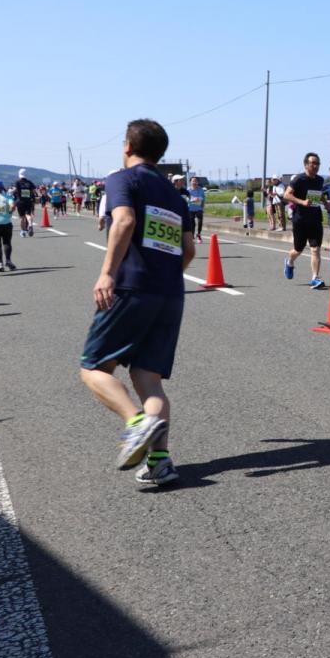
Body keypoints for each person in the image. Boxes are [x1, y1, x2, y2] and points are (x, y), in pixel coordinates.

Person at [79, 119, 195, 487]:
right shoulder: (175, 195)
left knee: (94, 367)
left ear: (128, 145)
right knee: (149, 378)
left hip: (132, 288)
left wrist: (107, 273)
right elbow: (189, 249)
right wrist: (164, 274)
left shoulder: (122, 179)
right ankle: (160, 461)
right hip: (171, 293)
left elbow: (124, 221)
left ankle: (136, 424)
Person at [283, 153, 326, 289]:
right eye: (312, 163)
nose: (315, 166)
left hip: (315, 218)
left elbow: (319, 194)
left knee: (315, 249)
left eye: (317, 163)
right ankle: (289, 261)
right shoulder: (299, 179)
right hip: (300, 219)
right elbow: (286, 195)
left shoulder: (320, 180)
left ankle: (315, 278)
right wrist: (302, 202)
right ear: (306, 164)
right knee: (298, 249)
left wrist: (326, 203)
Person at [0, 180, 17, 272]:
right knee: (6, 242)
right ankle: (8, 261)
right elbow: (13, 206)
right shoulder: (7, 197)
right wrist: (9, 213)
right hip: (6, 223)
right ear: (2, 187)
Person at [12, 169, 36, 237]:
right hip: (28, 201)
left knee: (22, 217)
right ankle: (30, 225)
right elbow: (34, 191)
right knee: (28, 215)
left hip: (20, 202)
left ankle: (23, 231)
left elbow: (15, 190)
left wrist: (11, 192)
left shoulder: (17, 182)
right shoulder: (29, 182)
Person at [186, 176, 206, 242]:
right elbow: (186, 199)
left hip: (199, 208)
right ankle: (192, 236)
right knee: (192, 223)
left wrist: (203, 207)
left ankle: (199, 234)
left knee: (200, 222)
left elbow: (203, 199)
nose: (194, 182)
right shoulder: (188, 190)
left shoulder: (201, 189)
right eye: (193, 181)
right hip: (190, 208)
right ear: (190, 182)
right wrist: (193, 200)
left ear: (198, 182)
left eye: (196, 181)